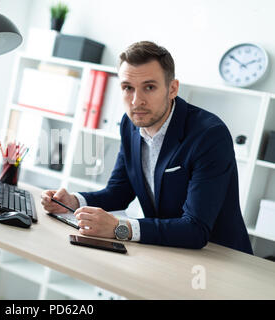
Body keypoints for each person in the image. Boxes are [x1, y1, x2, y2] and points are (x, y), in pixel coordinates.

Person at [41, 41, 253, 254]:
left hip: (219, 256)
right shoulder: (129, 124)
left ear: (172, 89)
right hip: (166, 248)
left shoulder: (209, 135)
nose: (136, 101)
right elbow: (119, 192)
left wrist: (119, 227)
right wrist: (73, 201)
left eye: (149, 87)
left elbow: (195, 229)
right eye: (127, 88)